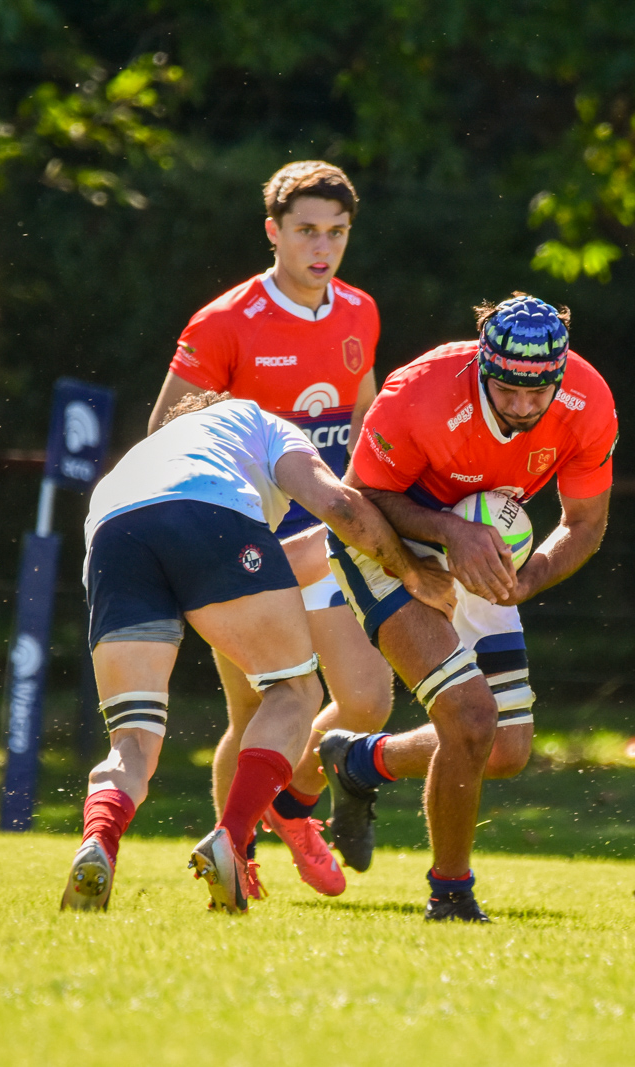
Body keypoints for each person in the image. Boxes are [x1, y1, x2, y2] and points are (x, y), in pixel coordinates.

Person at [60, 392, 453, 915]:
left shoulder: (145, 457)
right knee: (294, 691)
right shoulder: (256, 420)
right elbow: (336, 506)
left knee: (133, 736)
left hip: (111, 532)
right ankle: (232, 836)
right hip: (209, 513)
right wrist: (410, 567)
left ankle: (99, 842)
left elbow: (279, 564)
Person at [316, 294, 617, 921]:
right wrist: (445, 539)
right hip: (383, 543)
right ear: (483, 366)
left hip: (480, 547)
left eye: (540, 394)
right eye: (509, 391)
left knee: (505, 749)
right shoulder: (420, 392)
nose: (524, 407)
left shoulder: (588, 401)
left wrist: (525, 580)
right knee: (471, 718)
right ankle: (451, 896)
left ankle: (359, 761)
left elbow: (585, 523)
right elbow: (360, 496)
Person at [145, 161, 392, 897]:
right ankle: (238, 844)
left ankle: (291, 806)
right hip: (244, 548)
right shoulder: (224, 323)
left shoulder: (359, 311)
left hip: (329, 540)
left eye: (337, 233)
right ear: (273, 232)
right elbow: (164, 433)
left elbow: (364, 422)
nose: (323, 247)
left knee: (368, 698)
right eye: (307, 231)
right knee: (253, 710)